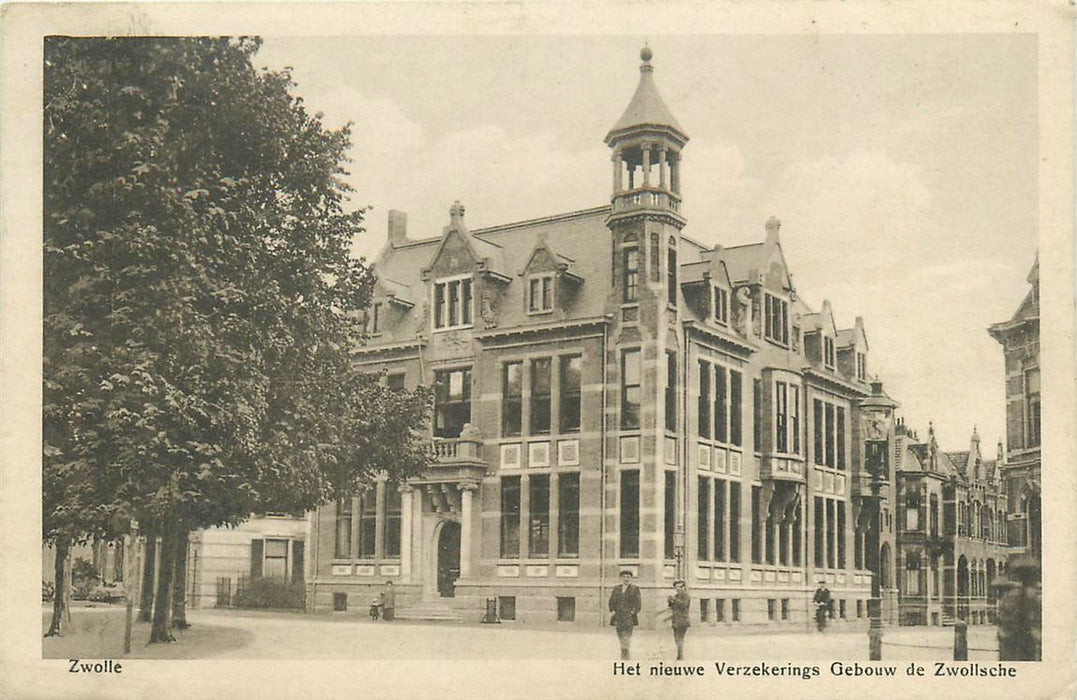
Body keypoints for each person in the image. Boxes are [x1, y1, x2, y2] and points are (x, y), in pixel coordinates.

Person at [609, 570, 642, 660]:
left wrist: (633, 612)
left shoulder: (634, 589)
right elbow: (611, 600)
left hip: (629, 617)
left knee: (627, 635)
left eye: (628, 577)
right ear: (621, 578)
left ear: (630, 578)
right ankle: (623, 651)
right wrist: (612, 610)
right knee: (620, 634)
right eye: (624, 577)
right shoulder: (616, 588)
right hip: (618, 616)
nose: (626, 579)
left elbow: (638, 603)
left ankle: (625, 654)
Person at [667, 579, 691, 660]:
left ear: (683, 587)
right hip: (675, 620)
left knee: (680, 637)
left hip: (683, 620)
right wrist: (670, 601)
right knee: (677, 638)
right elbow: (672, 607)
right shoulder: (676, 596)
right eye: (676, 587)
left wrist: (674, 600)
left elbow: (684, 605)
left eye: (680, 587)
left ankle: (680, 656)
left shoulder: (686, 595)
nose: (678, 589)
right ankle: (679, 654)